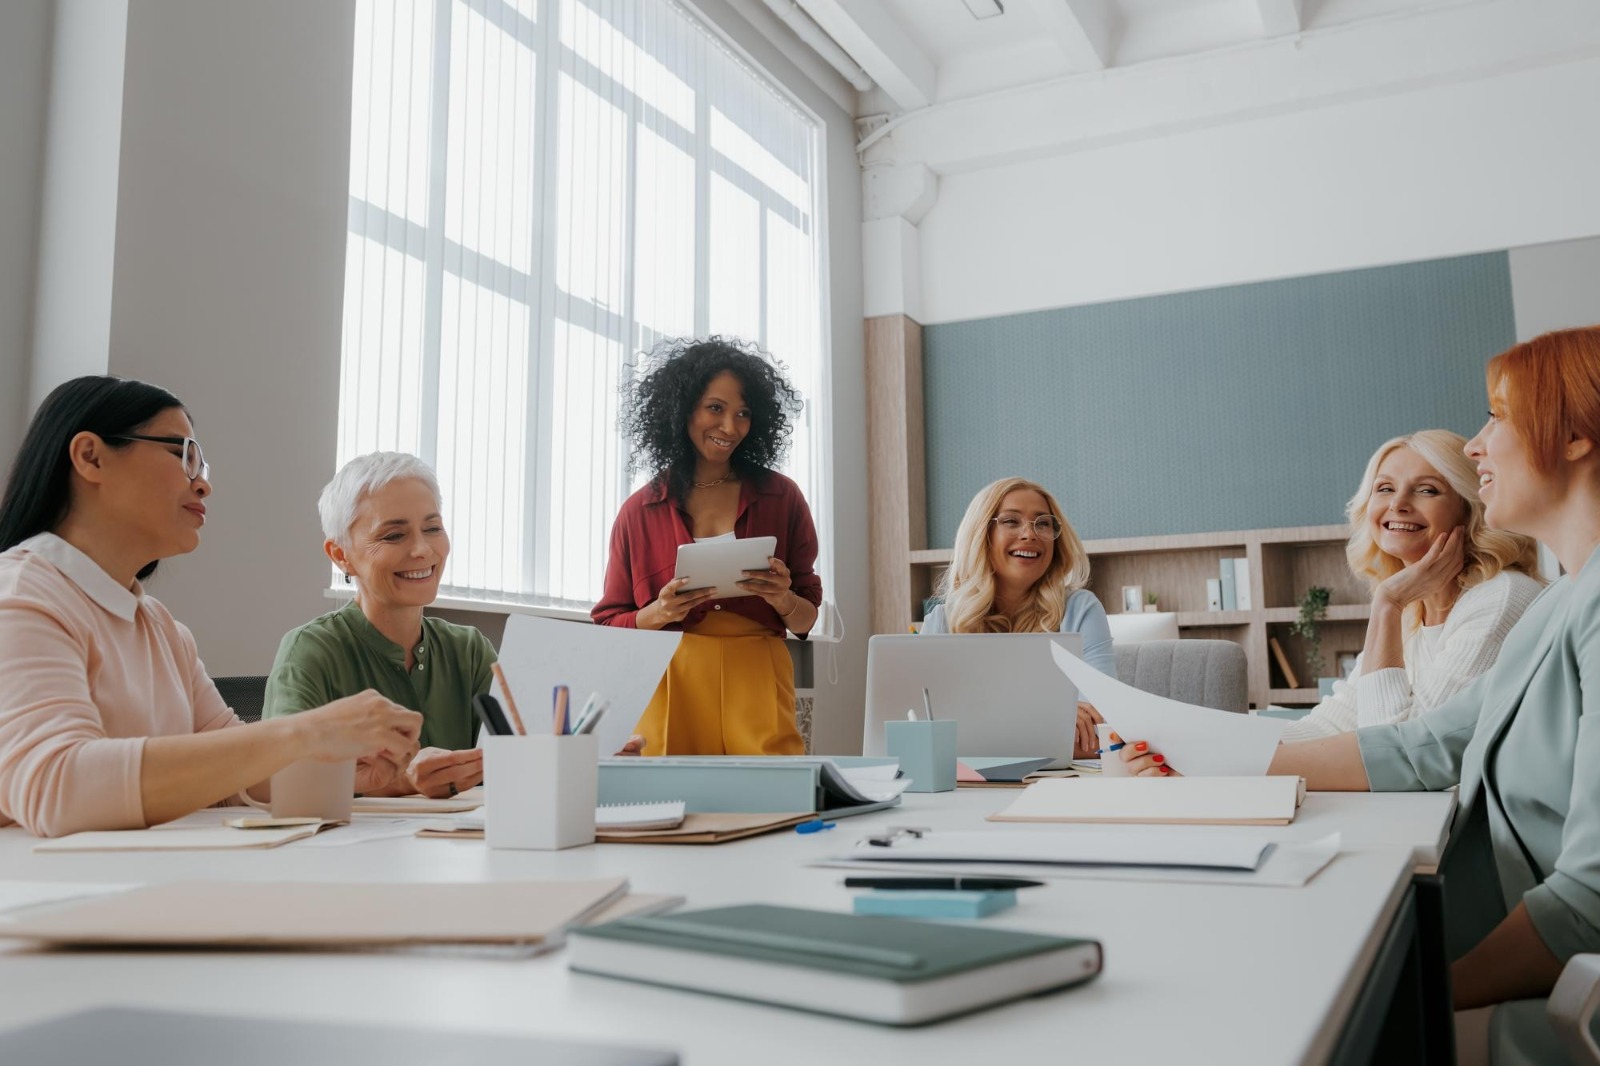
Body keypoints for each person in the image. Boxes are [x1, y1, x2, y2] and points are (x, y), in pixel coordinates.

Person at [1120, 327, 1600, 1064]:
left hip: (1519, 966)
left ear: (1573, 437)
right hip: (1478, 918)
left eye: (1497, 417)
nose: (1477, 446)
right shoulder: (1567, 598)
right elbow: (1429, 743)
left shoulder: (1561, 603)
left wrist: (1421, 992)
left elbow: (1588, 903)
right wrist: (1204, 761)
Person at [0, 376, 421, 838]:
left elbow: (229, 773)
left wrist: (347, 767)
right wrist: (306, 733)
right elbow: (56, 786)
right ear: (91, 457)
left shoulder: (162, 629)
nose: (203, 485)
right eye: (184, 456)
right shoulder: (20, 593)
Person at [593, 337, 821, 755]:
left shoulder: (782, 497)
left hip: (758, 673)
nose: (730, 427)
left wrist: (783, 598)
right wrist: (658, 612)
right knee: (670, 806)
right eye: (715, 408)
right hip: (670, 675)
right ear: (683, 409)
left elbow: (806, 620)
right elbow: (608, 625)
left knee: (774, 801)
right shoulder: (638, 511)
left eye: (743, 413)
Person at [1280, 430, 1541, 741]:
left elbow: (1396, 749)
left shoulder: (1500, 598)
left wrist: (1387, 604)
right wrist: (1240, 749)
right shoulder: (1409, 612)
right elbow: (1333, 723)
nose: (1398, 504)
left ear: (1469, 510)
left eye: (1427, 490)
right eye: (1385, 488)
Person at [263, 452, 495, 798]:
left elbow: (513, 766)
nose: (421, 549)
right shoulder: (311, 650)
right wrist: (402, 780)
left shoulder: (470, 650)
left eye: (432, 528)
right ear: (341, 555)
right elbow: (281, 781)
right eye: (393, 536)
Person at [921, 477, 1115, 759]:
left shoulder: (1080, 610)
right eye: (1011, 521)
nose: (1030, 534)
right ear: (981, 534)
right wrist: (1054, 720)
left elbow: (1100, 736)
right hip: (963, 790)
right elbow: (923, 737)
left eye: (1043, 523)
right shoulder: (941, 621)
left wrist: (983, 730)